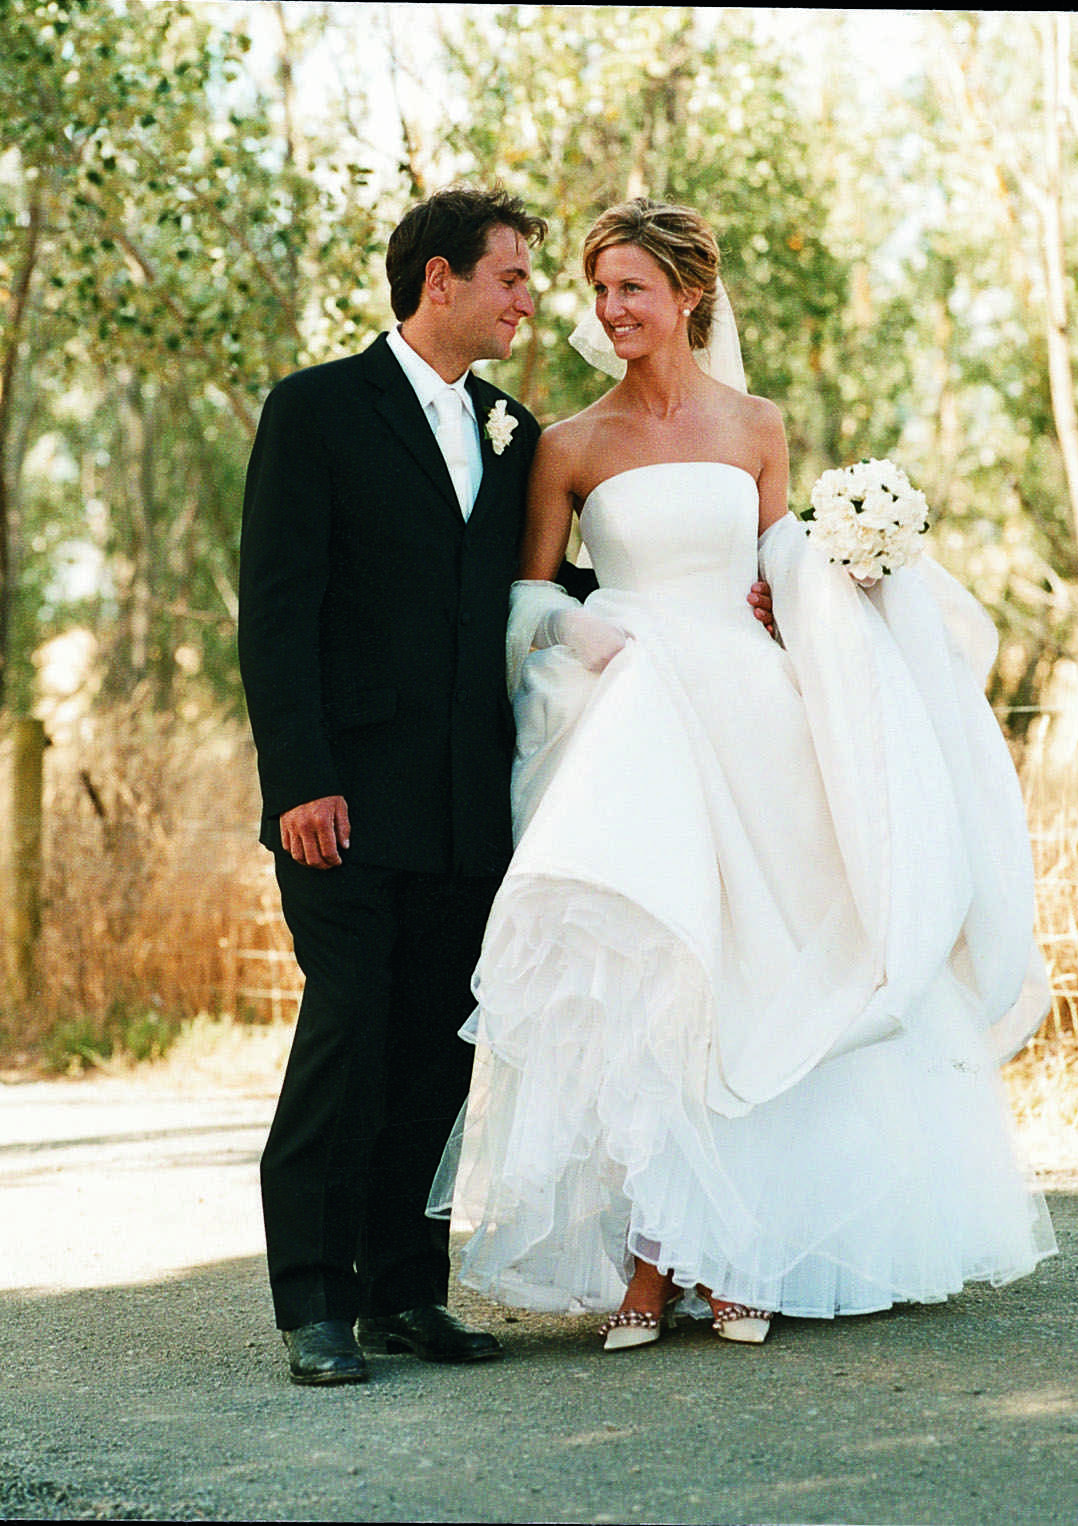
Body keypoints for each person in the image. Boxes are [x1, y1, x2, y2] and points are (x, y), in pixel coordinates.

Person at [429, 198, 1057, 1349]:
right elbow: (525, 597)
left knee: (761, 971)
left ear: (687, 297)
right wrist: (576, 634)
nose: (610, 310)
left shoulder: (756, 424)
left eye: (631, 289)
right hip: (634, 713)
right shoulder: (566, 443)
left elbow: (778, 565)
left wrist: (838, 571)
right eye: (598, 289)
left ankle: (740, 1246)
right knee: (655, 967)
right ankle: (646, 1260)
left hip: (752, 713)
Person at [238, 186, 557, 1385]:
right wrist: (300, 782)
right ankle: (314, 1302)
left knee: (436, 1048)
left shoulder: (513, 425)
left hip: (472, 804)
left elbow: (534, 586)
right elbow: (276, 611)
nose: (529, 298)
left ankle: (403, 1291)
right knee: (349, 1035)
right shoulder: (317, 410)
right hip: (346, 804)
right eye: (511, 276)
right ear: (440, 280)